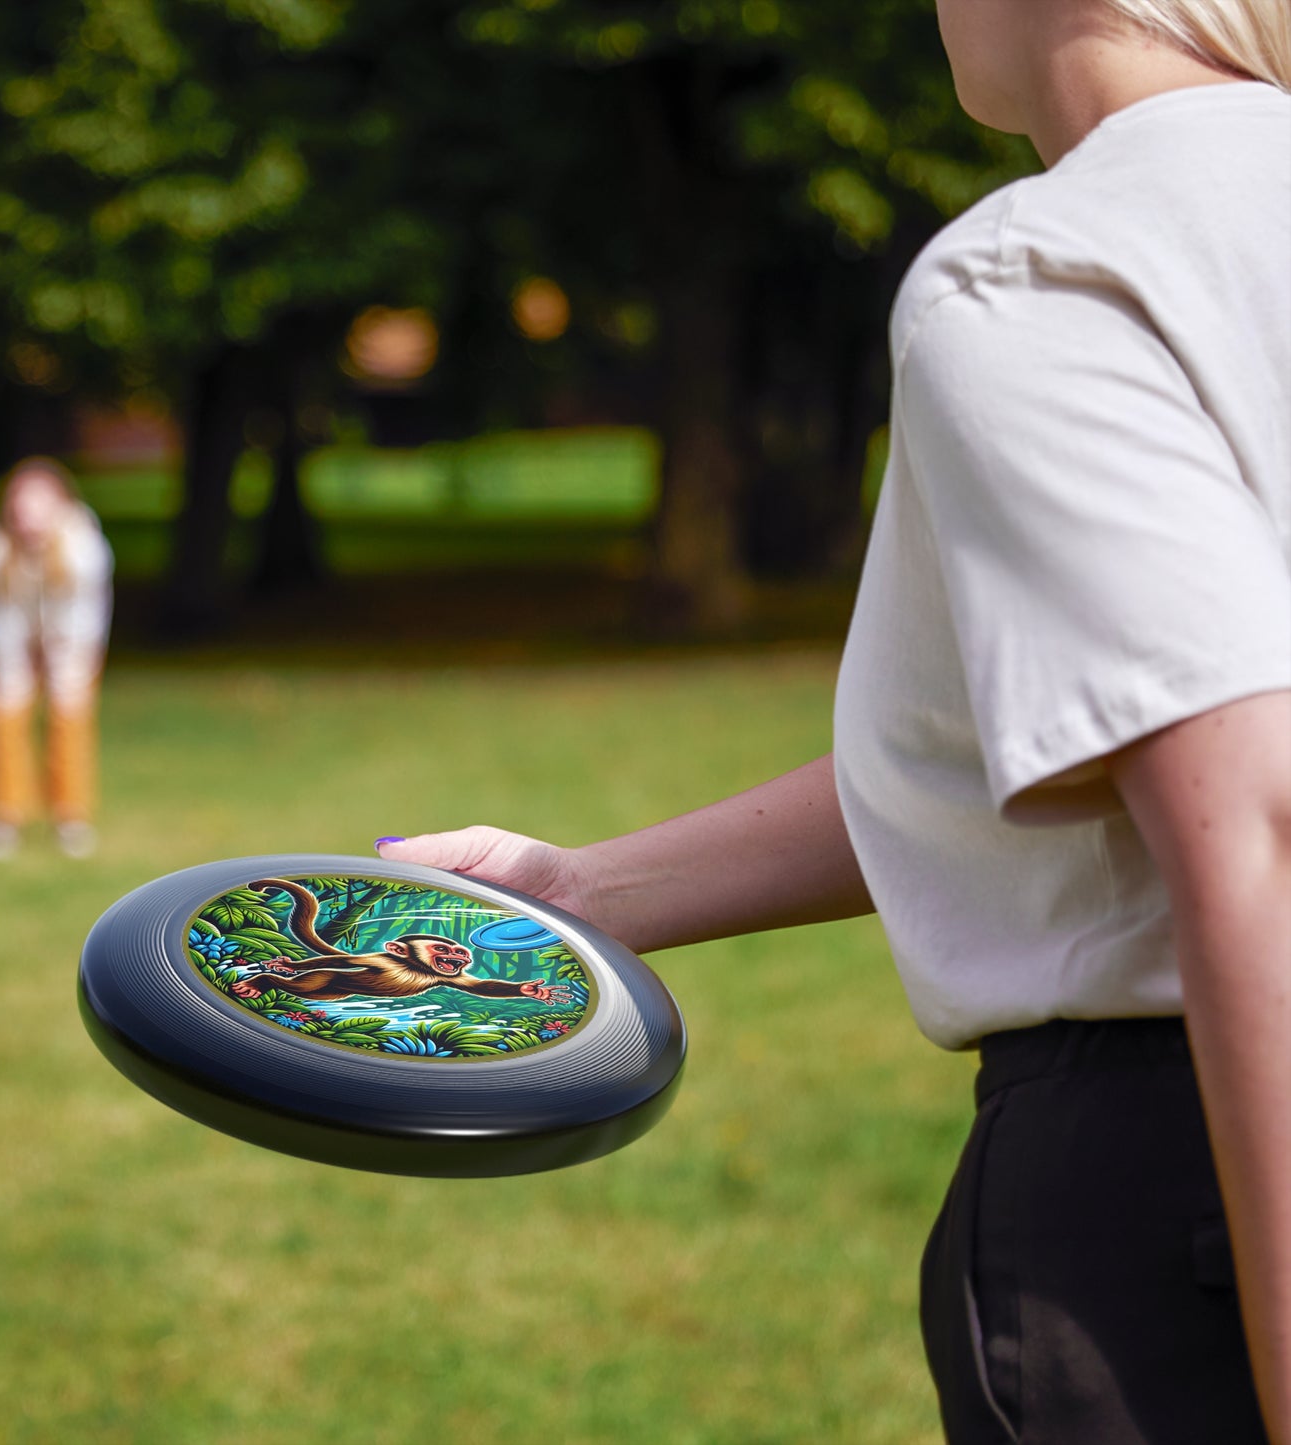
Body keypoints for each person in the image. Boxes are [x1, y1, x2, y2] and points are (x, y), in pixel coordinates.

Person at [374, 2, 1291, 1440]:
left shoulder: (1050, 269)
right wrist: (583, 891)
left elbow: (1255, 821)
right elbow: (1069, 740)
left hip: (1188, 1192)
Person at [0, 457, 114, 860]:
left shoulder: (85, 548)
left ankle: (71, 818)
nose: (28, 517)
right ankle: (4, 816)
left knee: (69, 717)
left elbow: (85, 616)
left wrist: (61, 659)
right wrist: (14, 664)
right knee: (4, 712)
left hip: (72, 641)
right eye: (20, 506)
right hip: (11, 640)